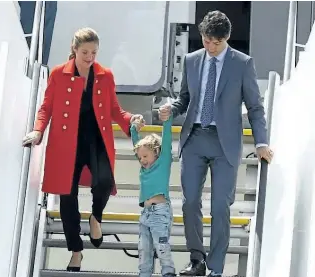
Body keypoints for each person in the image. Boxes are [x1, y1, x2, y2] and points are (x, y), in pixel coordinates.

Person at [158, 11, 274, 277]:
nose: (210, 47)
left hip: (226, 143)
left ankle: (216, 268)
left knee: (220, 206)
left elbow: (255, 107)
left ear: (227, 38)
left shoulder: (242, 64)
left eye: (215, 43)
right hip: (195, 139)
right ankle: (196, 260)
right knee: (190, 202)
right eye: (206, 41)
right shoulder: (191, 60)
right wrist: (170, 109)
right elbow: (184, 98)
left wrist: (261, 142)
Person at [22, 27, 144, 272]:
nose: (90, 57)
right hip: (66, 142)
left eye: (94, 52)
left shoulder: (105, 75)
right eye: (85, 52)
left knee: (104, 181)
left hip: (96, 138)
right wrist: (38, 131)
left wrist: (131, 119)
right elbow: (46, 107)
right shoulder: (58, 74)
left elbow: (114, 110)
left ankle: (95, 216)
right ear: (74, 49)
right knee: (68, 198)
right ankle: (76, 251)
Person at [130, 116, 175, 277]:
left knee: (161, 246)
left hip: (160, 212)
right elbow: (135, 141)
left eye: (145, 156)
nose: (142, 160)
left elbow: (168, 139)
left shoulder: (163, 162)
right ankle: (144, 274)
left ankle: (168, 272)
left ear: (156, 153)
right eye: (140, 157)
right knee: (144, 250)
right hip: (146, 213)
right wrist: (134, 128)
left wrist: (167, 120)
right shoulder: (144, 169)